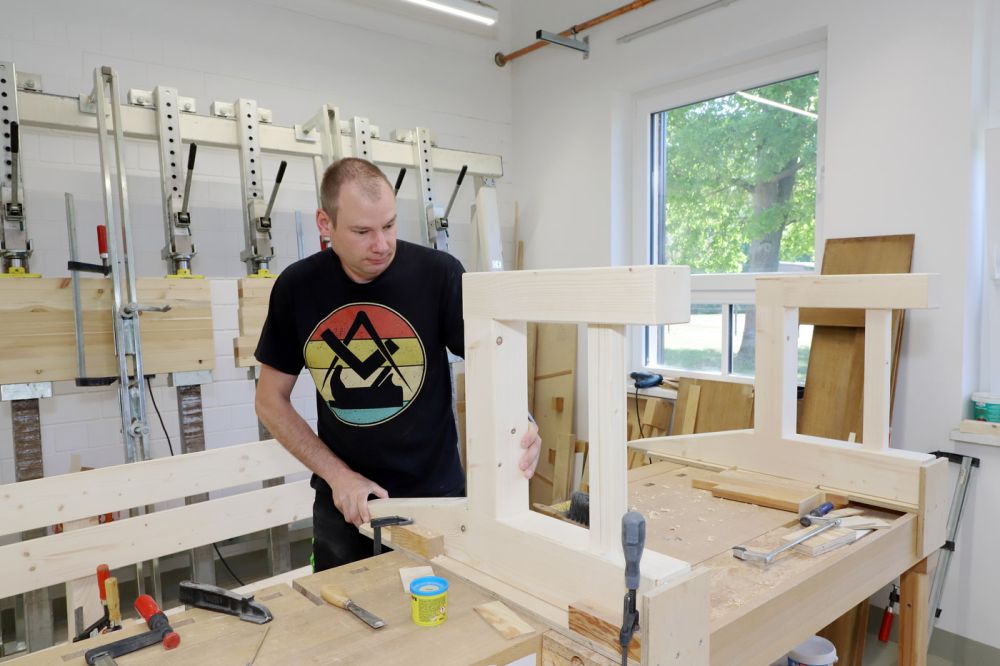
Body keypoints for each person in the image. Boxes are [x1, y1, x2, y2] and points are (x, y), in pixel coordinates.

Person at [254, 157, 540, 571]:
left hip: (436, 499)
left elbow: (490, 363)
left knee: (448, 607)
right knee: (343, 610)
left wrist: (522, 420)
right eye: (362, 232)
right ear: (324, 223)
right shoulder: (297, 288)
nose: (382, 244)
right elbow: (269, 400)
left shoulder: (438, 275)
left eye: (389, 226)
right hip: (347, 504)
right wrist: (338, 476)